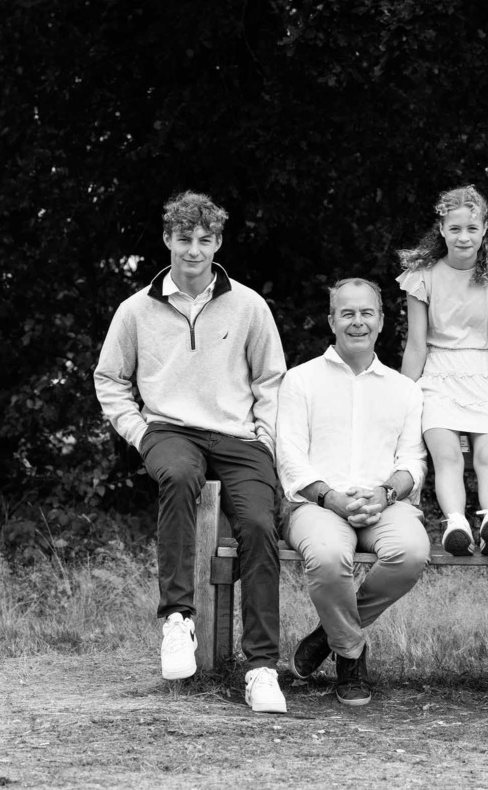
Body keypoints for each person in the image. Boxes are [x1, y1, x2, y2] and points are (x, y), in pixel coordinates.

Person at [94, 191, 287, 714]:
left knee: (259, 524)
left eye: (205, 240)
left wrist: (267, 441)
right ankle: (178, 621)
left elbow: (272, 379)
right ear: (167, 240)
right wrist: (137, 431)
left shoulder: (248, 305)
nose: (195, 250)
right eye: (185, 239)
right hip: (169, 430)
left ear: (218, 242)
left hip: (239, 437)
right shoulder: (136, 309)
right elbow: (110, 378)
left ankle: (262, 667)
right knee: (178, 478)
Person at [277, 278, 431, 707]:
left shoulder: (405, 389)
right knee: (327, 557)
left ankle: (328, 635)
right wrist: (332, 498)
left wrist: (385, 493)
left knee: (411, 553)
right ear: (331, 320)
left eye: (366, 313)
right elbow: (289, 460)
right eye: (347, 313)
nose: (357, 322)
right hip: (317, 503)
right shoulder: (299, 380)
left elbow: (413, 462)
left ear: (381, 321)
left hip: (385, 503)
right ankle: (350, 655)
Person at [397, 185, 488, 556]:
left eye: (472, 228)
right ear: (441, 230)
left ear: (485, 229)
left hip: (486, 373)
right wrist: (404, 398)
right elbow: (417, 344)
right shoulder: (422, 276)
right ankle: (456, 522)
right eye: (455, 229)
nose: (463, 237)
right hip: (438, 374)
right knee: (448, 456)